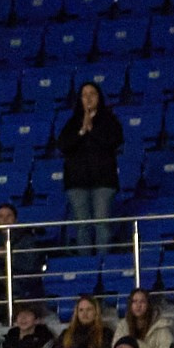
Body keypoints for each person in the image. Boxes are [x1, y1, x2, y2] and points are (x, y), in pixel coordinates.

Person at [54, 82, 123, 257]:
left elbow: (114, 141)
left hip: (103, 181)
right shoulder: (73, 122)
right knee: (82, 225)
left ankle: (103, 263)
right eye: (85, 94)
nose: (89, 98)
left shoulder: (109, 120)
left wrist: (92, 128)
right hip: (77, 182)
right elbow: (63, 144)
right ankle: (86, 264)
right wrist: (82, 130)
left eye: (93, 93)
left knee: (102, 224)